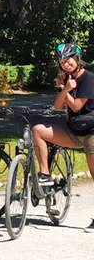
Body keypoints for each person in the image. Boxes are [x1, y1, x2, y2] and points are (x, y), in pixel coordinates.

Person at [32, 43, 94, 233]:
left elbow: (76, 106)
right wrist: (64, 89)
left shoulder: (88, 78)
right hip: (73, 131)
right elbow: (58, 105)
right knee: (38, 130)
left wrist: (66, 89)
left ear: (77, 58)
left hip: (91, 132)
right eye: (62, 62)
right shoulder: (67, 79)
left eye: (68, 61)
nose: (66, 65)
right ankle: (44, 175)